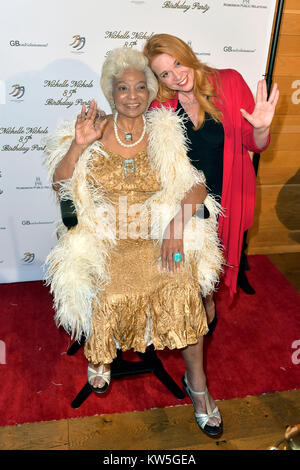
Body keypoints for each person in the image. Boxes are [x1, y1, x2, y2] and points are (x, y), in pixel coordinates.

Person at [44, 47, 224, 438]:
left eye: (140, 87)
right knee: (104, 287)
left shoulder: (163, 129)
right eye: (123, 88)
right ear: (111, 92)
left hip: (156, 234)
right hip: (107, 238)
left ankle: (199, 388)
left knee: (182, 287)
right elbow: (60, 185)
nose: (131, 95)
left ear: (150, 91)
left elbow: (196, 185)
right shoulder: (93, 128)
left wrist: (175, 227)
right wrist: (78, 144)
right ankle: (101, 353)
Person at [143, 33, 279, 327]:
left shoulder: (228, 82)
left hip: (226, 193)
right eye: (165, 73)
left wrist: (261, 128)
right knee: (185, 268)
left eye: (179, 64)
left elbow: (254, 143)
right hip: (186, 202)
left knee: (210, 271)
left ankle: (205, 309)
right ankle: (190, 314)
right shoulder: (160, 106)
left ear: (188, 54)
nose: (177, 76)